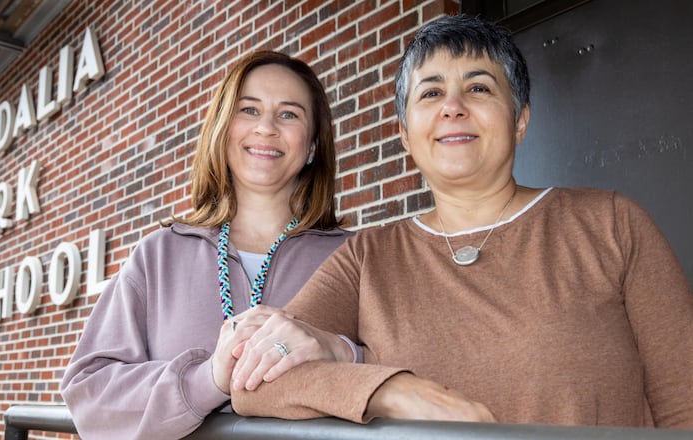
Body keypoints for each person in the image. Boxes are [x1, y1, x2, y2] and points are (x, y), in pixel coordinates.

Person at [229, 15, 693, 428]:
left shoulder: (612, 223)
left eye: (478, 87)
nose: (453, 106)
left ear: (520, 121)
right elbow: (254, 384)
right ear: (406, 135)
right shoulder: (368, 256)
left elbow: (683, 405)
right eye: (431, 92)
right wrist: (391, 390)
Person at [60, 50, 356, 439]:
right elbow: (89, 393)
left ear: (313, 145)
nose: (266, 127)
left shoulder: (355, 257)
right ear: (222, 127)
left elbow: (405, 370)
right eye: (249, 110)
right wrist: (206, 379)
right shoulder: (158, 255)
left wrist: (338, 350)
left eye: (289, 114)